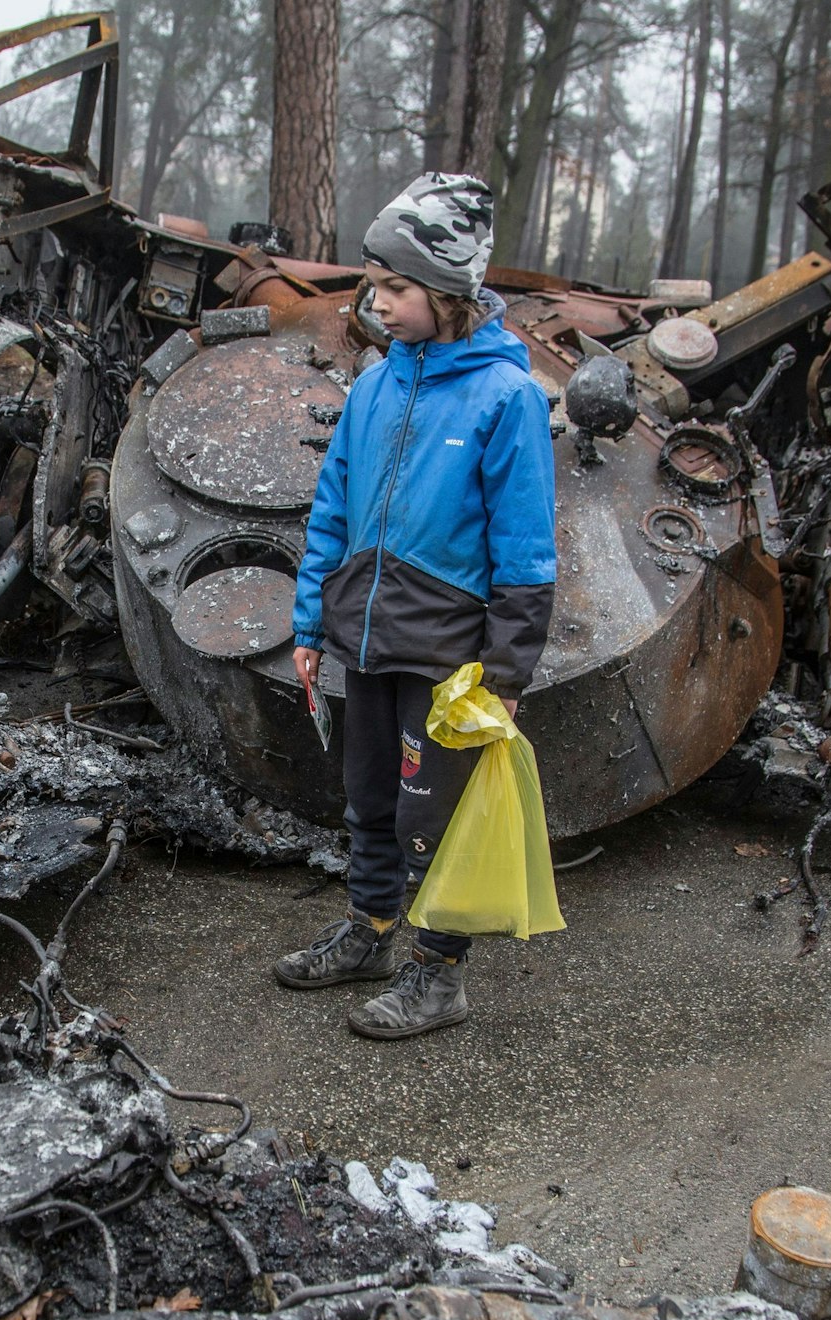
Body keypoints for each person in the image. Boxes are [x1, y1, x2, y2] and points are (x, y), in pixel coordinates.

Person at [275, 172, 557, 1041]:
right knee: (366, 797)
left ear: (447, 291)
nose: (378, 302)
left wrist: (506, 673)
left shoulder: (505, 398)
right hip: (364, 631)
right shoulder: (372, 388)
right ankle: (371, 931)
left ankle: (439, 976)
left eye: (397, 287)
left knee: (431, 814)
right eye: (376, 283)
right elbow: (331, 510)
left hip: (447, 651)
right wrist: (313, 623)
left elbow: (527, 548)